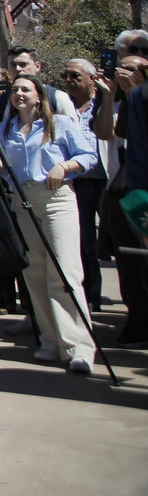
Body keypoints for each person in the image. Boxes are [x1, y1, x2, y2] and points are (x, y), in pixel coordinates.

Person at [0, 75, 98, 373]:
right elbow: (5, 168)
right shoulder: (6, 128)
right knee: (35, 273)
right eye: (15, 89)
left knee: (65, 272)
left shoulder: (59, 123)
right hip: (22, 199)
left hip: (56, 198)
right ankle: (51, 340)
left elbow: (88, 155)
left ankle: (78, 346)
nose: (19, 93)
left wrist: (64, 166)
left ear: (39, 95)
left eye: (25, 89)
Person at [96, 46, 148, 348]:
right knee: (128, 263)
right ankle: (137, 323)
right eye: (121, 68)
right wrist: (110, 96)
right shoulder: (115, 99)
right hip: (119, 189)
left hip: (140, 189)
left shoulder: (141, 99)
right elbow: (105, 133)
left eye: (133, 69)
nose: (124, 73)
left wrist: (135, 94)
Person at [61, 59, 107, 311]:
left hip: (106, 182)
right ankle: (91, 296)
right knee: (84, 241)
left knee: (115, 241)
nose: (69, 80)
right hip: (77, 183)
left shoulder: (106, 103)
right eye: (66, 75)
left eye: (75, 75)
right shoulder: (63, 107)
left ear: (92, 79)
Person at [0, 45, 77, 123]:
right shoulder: (0, 101)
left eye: (23, 64)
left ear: (37, 66)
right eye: (13, 65)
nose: (17, 69)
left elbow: (73, 131)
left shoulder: (58, 98)